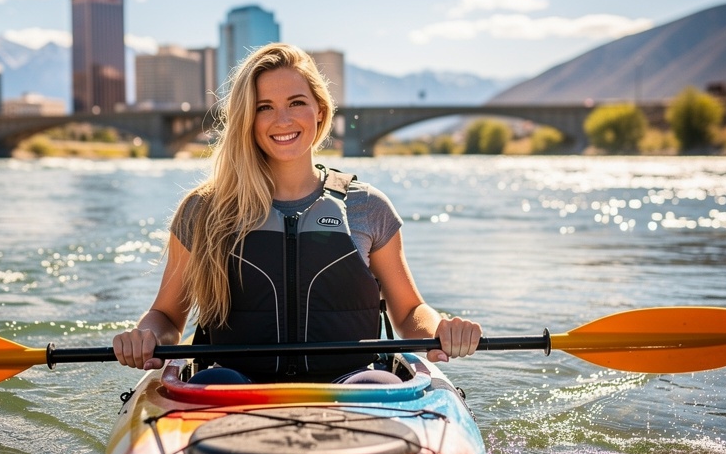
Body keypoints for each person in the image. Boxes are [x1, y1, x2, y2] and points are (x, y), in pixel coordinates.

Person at [112, 42, 481, 383]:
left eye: (296, 102)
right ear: (246, 120)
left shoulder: (368, 206)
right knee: (214, 380)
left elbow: (409, 312)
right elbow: (167, 318)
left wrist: (439, 329)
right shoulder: (204, 210)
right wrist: (146, 336)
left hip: (353, 391)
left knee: (376, 381)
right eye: (264, 107)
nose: (283, 120)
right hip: (233, 393)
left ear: (320, 111)